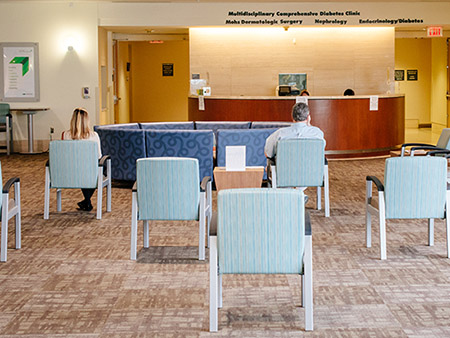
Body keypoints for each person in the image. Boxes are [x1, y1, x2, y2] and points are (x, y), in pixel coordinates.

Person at [62, 107, 102, 212]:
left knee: (80, 169)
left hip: (69, 173)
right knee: (96, 170)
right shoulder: (94, 136)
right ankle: (87, 201)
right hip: (88, 173)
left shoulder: (65, 135)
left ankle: (86, 202)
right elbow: (98, 156)